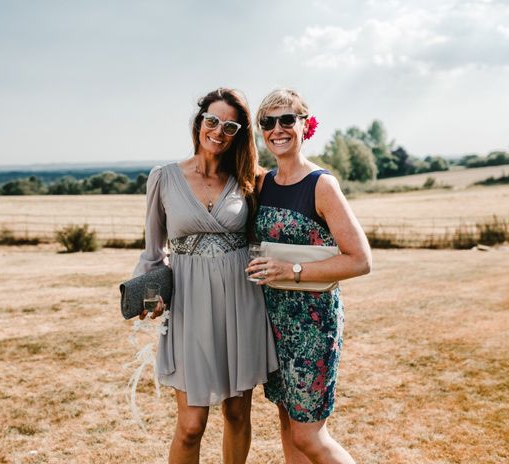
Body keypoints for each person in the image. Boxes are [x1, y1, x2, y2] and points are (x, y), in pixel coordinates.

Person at [133, 88, 278, 464]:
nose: (218, 131)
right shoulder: (164, 178)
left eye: (229, 126)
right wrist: (150, 295)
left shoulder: (249, 181)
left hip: (240, 303)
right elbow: (153, 251)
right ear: (199, 123)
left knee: (236, 414)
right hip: (189, 307)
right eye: (212, 121)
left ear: (239, 134)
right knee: (192, 424)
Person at [246, 88, 371, 464]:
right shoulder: (263, 183)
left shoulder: (321, 185)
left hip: (312, 324)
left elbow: (360, 260)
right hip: (273, 320)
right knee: (286, 420)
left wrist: (293, 270)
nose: (277, 129)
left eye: (287, 120)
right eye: (268, 122)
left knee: (310, 435)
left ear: (306, 125)